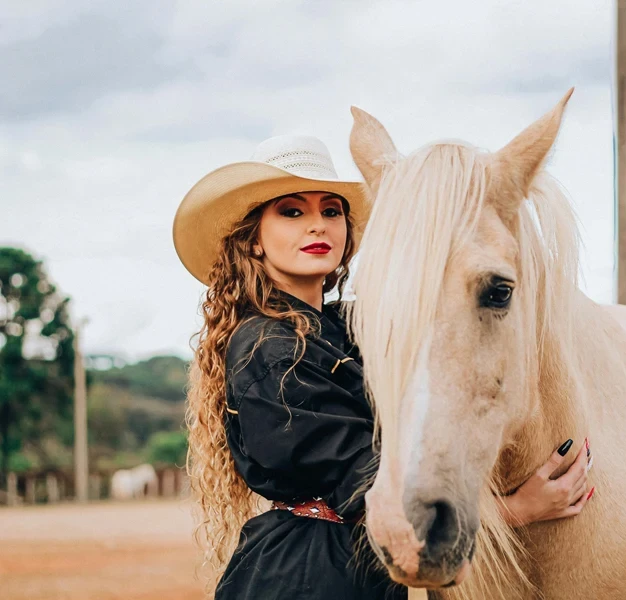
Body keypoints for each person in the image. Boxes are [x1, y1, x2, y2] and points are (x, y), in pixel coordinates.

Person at [173, 134, 594, 600]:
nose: (317, 226)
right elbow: (363, 479)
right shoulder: (267, 349)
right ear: (253, 241)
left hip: (342, 575)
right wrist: (515, 510)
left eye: (331, 211)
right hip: (302, 578)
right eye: (292, 212)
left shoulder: (341, 327)